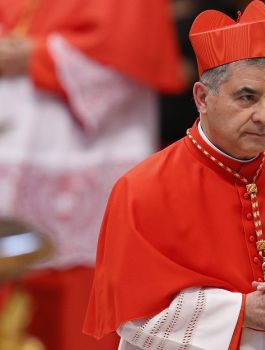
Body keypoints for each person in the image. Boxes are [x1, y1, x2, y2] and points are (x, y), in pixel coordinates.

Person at [83, 1, 265, 349]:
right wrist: (241, 310)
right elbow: (133, 314)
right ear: (203, 98)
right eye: (247, 97)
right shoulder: (142, 190)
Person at [0, 0, 185, 348]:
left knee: (83, 293)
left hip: (86, 144)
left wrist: (37, 56)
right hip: (14, 139)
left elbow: (131, 48)